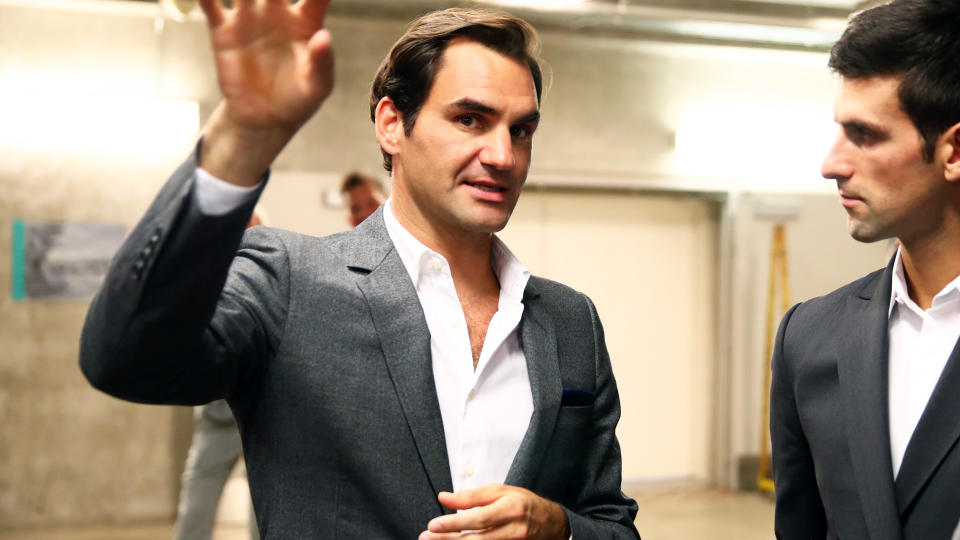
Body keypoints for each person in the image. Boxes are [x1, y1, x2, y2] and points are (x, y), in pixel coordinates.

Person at [79, 1, 639, 538]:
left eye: (520, 130)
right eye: (471, 119)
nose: (503, 155)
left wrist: (559, 529)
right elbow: (125, 357)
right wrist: (242, 139)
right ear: (392, 124)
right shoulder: (291, 282)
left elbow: (612, 523)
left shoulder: (570, 321)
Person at [769, 1, 960, 539]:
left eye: (866, 135)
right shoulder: (807, 338)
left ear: (953, 150)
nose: (832, 164)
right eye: (839, 132)